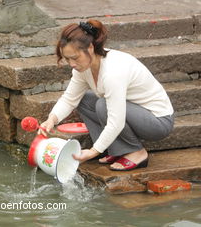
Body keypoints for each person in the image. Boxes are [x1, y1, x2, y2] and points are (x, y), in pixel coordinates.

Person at [38, 19, 174, 171]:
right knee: (83, 99)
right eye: (67, 59)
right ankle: (117, 149)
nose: (71, 64)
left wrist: (93, 151)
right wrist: (52, 119)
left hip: (157, 121)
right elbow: (70, 99)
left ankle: (136, 152)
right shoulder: (83, 68)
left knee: (103, 105)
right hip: (131, 112)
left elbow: (116, 121)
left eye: (75, 58)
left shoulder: (112, 72)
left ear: (90, 48)